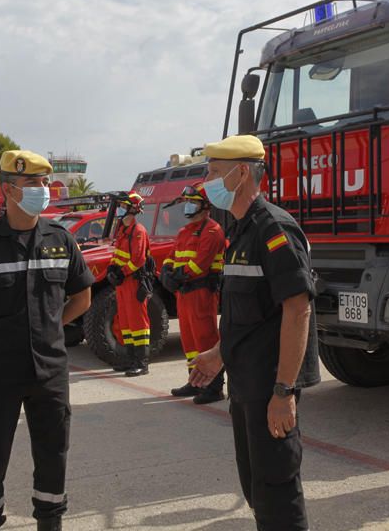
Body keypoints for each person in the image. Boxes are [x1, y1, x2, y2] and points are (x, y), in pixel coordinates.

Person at [0, 150, 94, 531]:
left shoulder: (61, 238)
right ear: (8, 190)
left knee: (53, 452)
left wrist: (50, 328)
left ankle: (50, 521)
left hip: (50, 370)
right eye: (33, 184)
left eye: (44, 182)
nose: (43, 189)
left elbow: (83, 296)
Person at [189, 135, 320, 530]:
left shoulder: (273, 229)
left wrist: (283, 392)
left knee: (277, 493)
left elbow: (298, 310)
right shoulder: (242, 231)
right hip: (246, 384)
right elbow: (250, 317)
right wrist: (218, 353)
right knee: (256, 489)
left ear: (241, 172)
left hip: (269, 388)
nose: (206, 182)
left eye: (213, 172)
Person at [160, 183, 226, 404]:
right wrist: (166, 272)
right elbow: (171, 255)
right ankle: (195, 382)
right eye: (187, 201)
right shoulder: (184, 231)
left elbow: (201, 265)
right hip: (184, 293)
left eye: (193, 202)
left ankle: (214, 387)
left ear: (206, 206)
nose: (188, 206)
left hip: (201, 293)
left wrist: (178, 275)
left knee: (205, 339)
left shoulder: (212, 231)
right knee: (189, 340)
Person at [106, 191, 152, 376]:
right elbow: (118, 254)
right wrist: (111, 268)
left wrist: (122, 272)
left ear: (132, 209)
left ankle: (142, 363)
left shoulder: (138, 231)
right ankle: (130, 360)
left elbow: (138, 260)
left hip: (133, 282)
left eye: (122, 206)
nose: (119, 209)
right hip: (122, 284)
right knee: (124, 322)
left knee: (138, 323)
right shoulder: (122, 230)